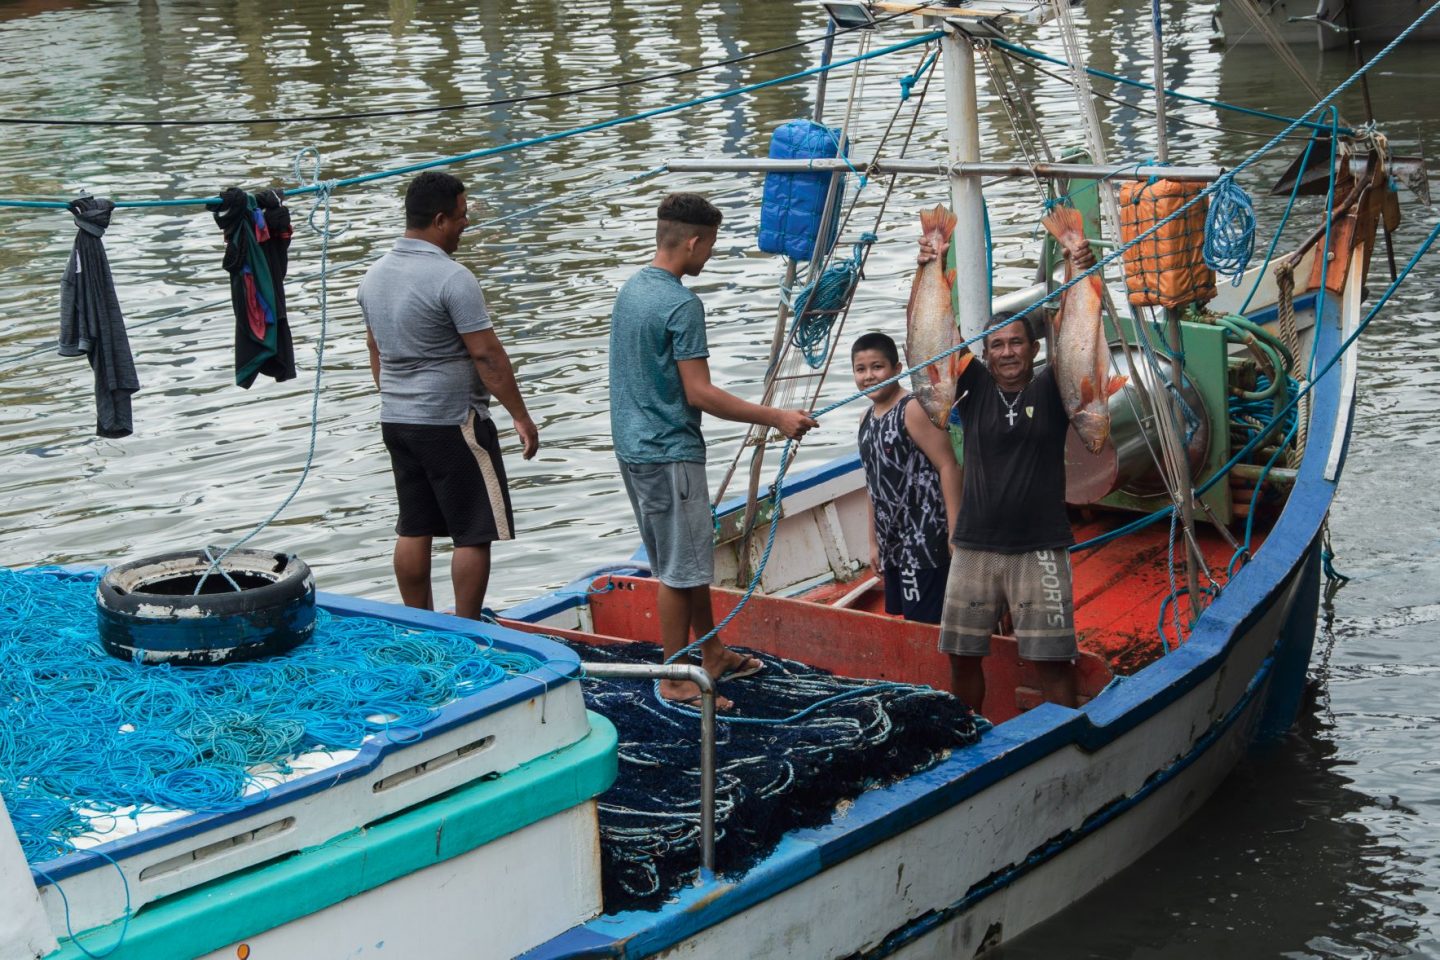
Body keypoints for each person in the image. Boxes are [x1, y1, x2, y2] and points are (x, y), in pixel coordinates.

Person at [609, 193, 818, 708]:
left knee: (689, 561)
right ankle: (676, 677)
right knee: (680, 571)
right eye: (712, 245)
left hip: (633, 448)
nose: (710, 255)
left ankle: (713, 651)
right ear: (695, 241)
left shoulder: (632, 290)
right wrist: (777, 418)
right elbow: (699, 393)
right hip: (669, 452)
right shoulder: (682, 303)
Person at [358, 170, 540, 620]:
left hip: (397, 420)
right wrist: (520, 416)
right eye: (460, 217)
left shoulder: (373, 277)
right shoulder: (453, 278)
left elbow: (374, 348)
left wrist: (398, 397)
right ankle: (466, 625)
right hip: (452, 421)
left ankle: (419, 624)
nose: (464, 225)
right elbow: (488, 357)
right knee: (474, 531)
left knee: (414, 525)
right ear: (439, 220)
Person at [918, 245, 1079, 710]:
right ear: (985, 355)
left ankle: (1063, 739)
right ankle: (968, 734)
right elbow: (935, 340)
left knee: (1052, 661)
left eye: (1016, 342)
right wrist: (930, 263)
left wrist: (1079, 265)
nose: (1007, 352)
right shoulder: (972, 388)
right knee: (962, 657)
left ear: (1034, 348)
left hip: (1040, 547)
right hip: (975, 547)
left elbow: (1079, 334)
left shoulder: (1055, 387)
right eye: (997, 345)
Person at [851, 332, 962, 624]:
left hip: (924, 539)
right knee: (907, 619)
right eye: (861, 370)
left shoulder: (912, 408)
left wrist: (955, 530)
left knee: (926, 622)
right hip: (893, 542)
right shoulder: (865, 418)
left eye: (877, 367)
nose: (869, 376)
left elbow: (948, 465)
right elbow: (873, 483)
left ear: (897, 369)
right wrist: (873, 542)